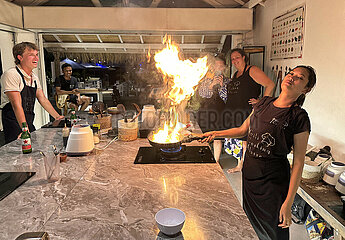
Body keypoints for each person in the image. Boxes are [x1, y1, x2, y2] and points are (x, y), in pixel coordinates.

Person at [202, 65, 316, 240]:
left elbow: (299, 162)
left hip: (272, 183)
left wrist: (289, 202)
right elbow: (242, 130)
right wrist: (216, 133)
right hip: (250, 177)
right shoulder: (264, 103)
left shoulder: (299, 117)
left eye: (299, 77)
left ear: (306, 89)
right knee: (250, 227)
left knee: (273, 232)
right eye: (291, 73)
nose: (291, 77)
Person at [0, 42, 64, 144]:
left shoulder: (33, 77)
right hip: (13, 124)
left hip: (28, 121)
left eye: (36, 55)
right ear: (20, 57)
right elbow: (16, 105)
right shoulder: (12, 74)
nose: (36, 58)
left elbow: (42, 99)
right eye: (31, 55)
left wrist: (58, 117)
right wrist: (24, 129)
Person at [224, 48, 275, 173]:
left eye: (237, 57)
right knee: (239, 139)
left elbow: (270, 84)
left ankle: (243, 165)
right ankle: (240, 163)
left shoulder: (251, 70)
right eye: (232, 59)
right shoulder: (235, 74)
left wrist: (262, 102)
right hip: (235, 113)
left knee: (245, 140)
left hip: (247, 111)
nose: (235, 61)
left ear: (244, 57)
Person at [196, 54, 229, 162]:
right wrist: (211, 85)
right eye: (216, 66)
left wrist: (222, 86)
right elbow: (203, 94)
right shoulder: (206, 80)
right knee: (204, 137)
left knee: (217, 137)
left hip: (220, 114)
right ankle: (205, 159)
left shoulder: (228, 81)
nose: (218, 69)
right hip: (205, 113)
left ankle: (216, 162)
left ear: (225, 67)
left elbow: (227, 98)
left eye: (221, 66)